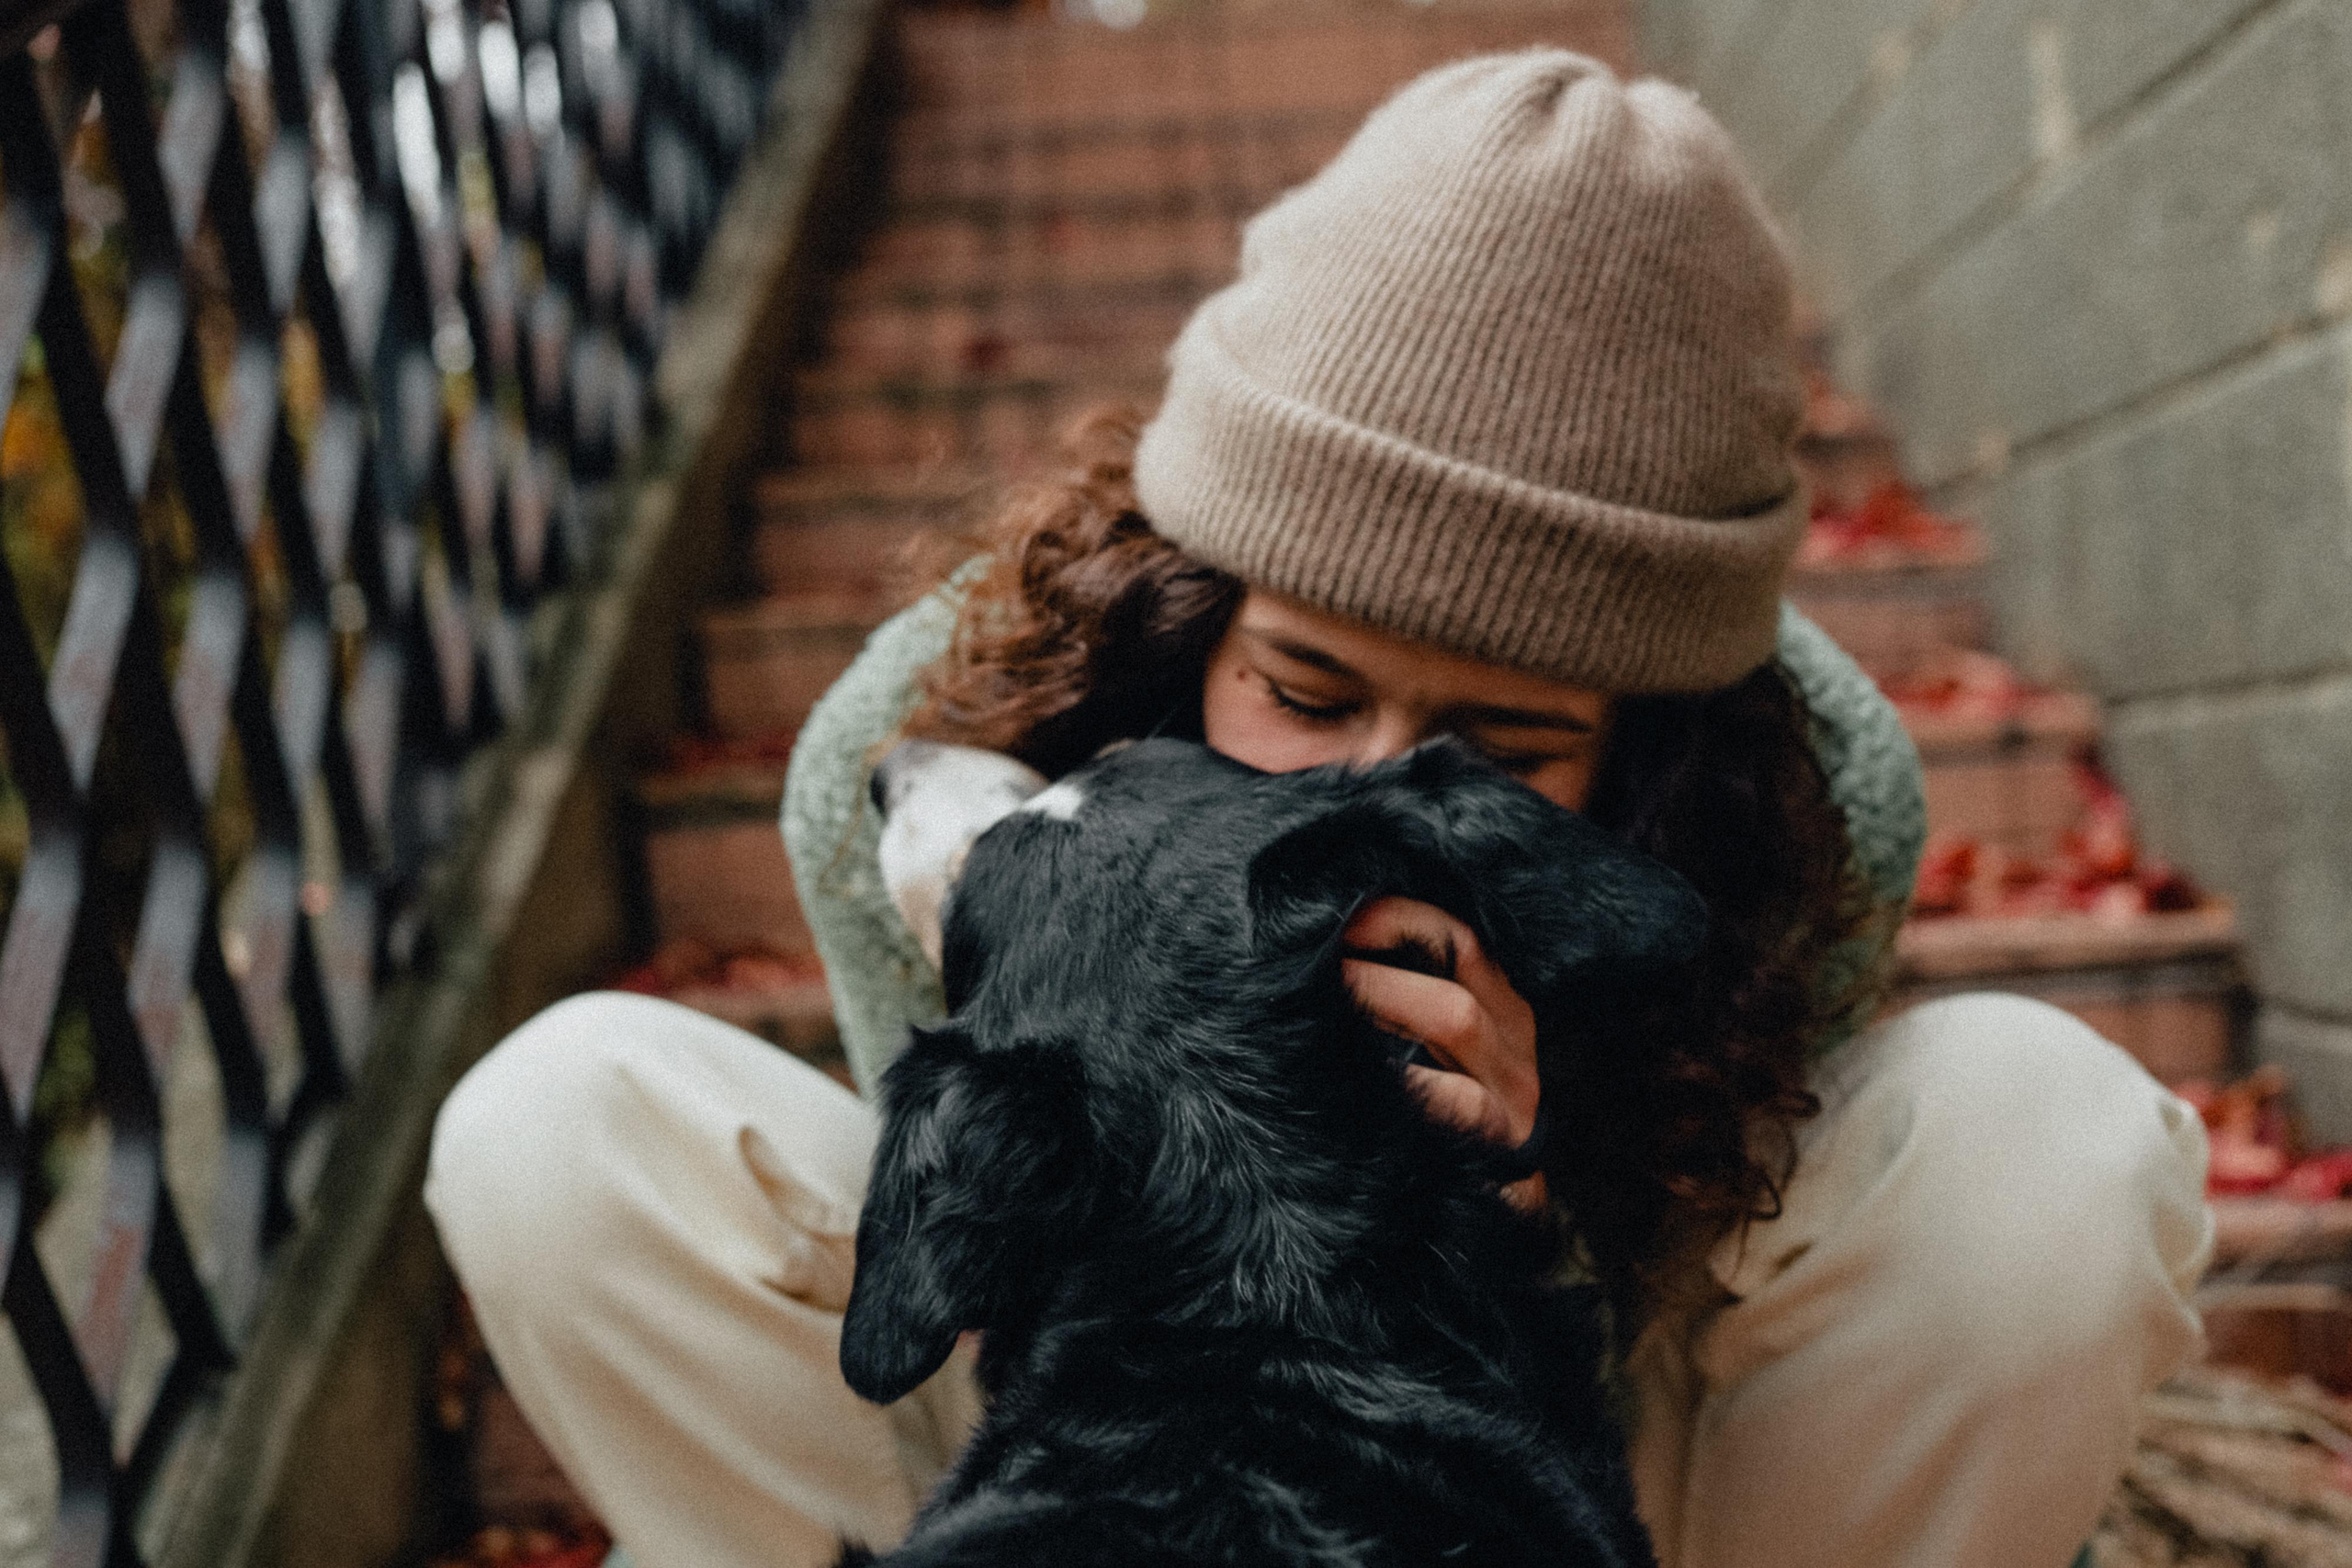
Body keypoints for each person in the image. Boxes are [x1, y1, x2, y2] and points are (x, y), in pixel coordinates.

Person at [425, 51, 2211, 1568]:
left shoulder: (1802, 796)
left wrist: (1520, 1171)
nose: (1368, 793)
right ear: (1202, 599)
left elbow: (1712, 1228)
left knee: (2039, 1134)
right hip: (1096, 1418)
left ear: (1647, 749)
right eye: (1300, 689)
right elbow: (964, 1260)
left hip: (1581, 1431)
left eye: (1502, 749)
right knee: (562, 1113)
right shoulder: (926, 744)